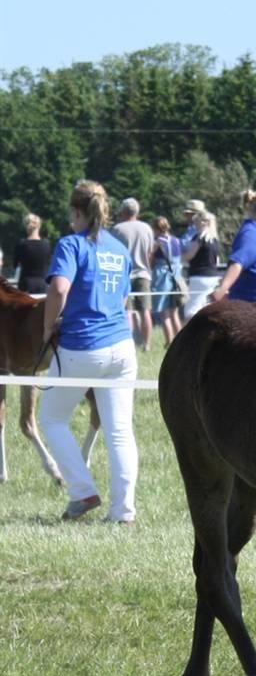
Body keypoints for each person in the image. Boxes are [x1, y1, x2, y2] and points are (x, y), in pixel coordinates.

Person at [39, 179, 138, 524]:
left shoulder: (70, 245)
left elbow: (58, 289)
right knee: (120, 430)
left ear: (77, 211)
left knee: (51, 419)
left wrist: (48, 326)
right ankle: (123, 511)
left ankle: (82, 491)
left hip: (81, 346)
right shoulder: (119, 249)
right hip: (122, 347)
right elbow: (124, 299)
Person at [112, 197, 155, 352]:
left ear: (123, 211)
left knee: (127, 312)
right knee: (145, 311)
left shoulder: (118, 229)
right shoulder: (147, 228)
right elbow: (151, 252)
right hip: (144, 273)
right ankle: (147, 345)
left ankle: (129, 344)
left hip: (125, 274)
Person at [182, 209, 221, 320]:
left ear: (202, 223)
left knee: (191, 309)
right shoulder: (215, 240)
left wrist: (178, 258)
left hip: (199, 276)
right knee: (207, 307)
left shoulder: (199, 238)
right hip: (213, 277)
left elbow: (190, 255)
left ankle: (190, 334)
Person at [150, 216, 183, 347]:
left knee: (165, 313)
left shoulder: (157, 242)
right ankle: (181, 340)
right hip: (175, 277)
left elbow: (151, 261)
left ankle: (169, 342)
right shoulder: (176, 241)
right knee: (174, 312)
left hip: (162, 278)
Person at [14, 213, 52, 294]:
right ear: (39, 226)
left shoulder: (22, 244)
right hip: (43, 284)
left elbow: (15, 265)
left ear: (26, 226)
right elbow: (49, 264)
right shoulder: (46, 245)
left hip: (25, 285)